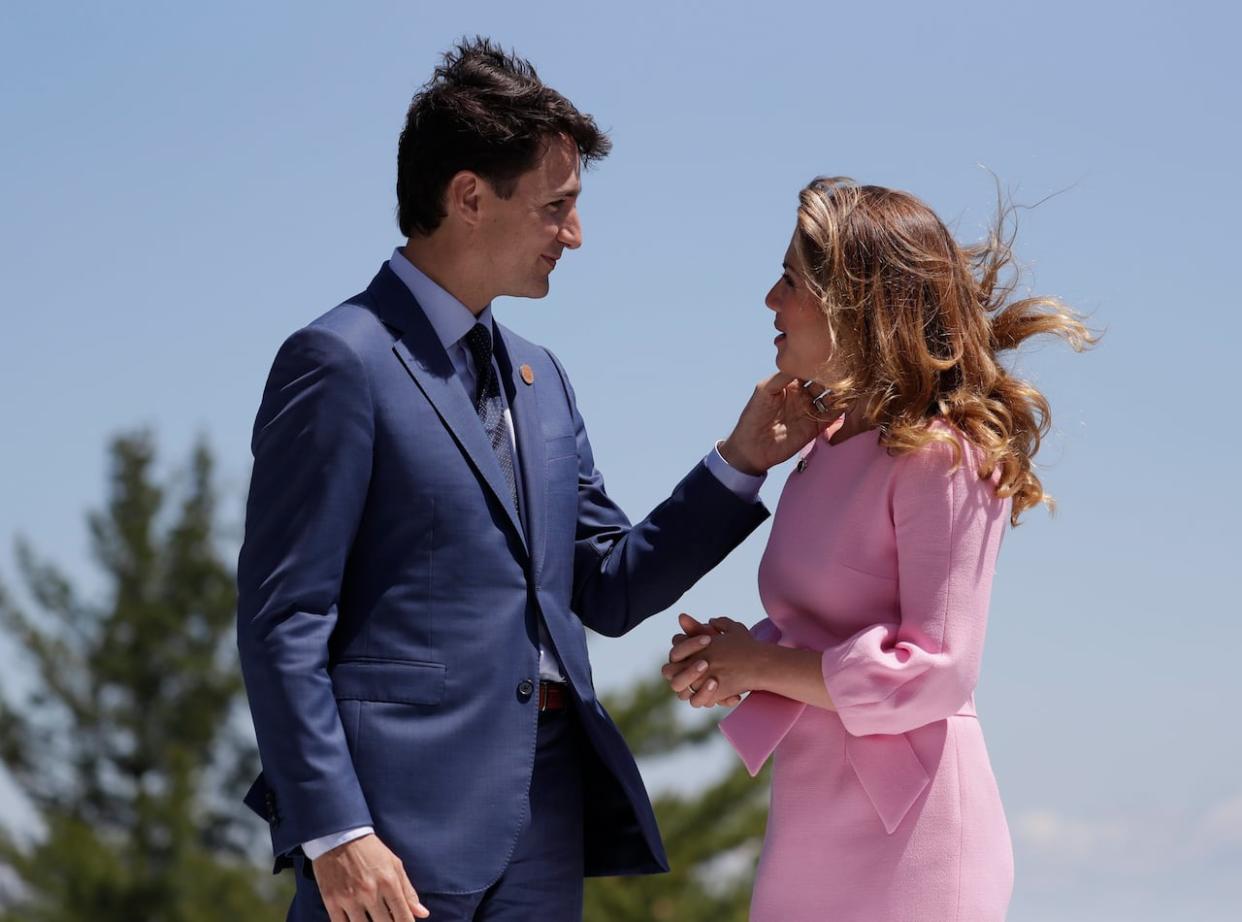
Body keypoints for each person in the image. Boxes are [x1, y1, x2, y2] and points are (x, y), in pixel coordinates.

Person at [235, 38, 811, 922]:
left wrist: (739, 463)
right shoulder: (338, 361)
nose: (574, 235)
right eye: (557, 208)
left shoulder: (543, 379)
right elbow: (284, 620)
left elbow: (607, 587)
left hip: (547, 819)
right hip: (391, 828)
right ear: (469, 196)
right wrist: (335, 832)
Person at [663, 177, 1093, 921]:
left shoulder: (944, 457)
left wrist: (763, 664)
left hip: (919, 835)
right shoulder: (821, 452)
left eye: (791, 280)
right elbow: (827, 632)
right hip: (810, 820)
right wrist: (736, 657)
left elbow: (939, 670)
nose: (770, 299)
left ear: (855, 304)